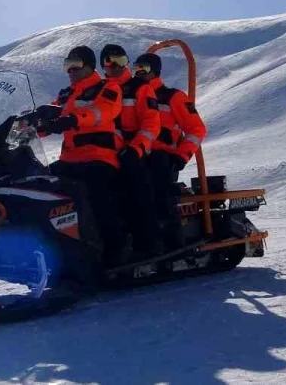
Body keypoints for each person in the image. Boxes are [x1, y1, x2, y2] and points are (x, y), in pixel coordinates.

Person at [37, 46, 126, 267]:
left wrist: (74, 120)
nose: (70, 71)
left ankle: (114, 252)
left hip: (99, 157)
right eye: (67, 66)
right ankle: (54, 247)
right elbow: (51, 117)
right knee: (40, 186)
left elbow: (103, 112)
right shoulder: (65, 94)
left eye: (75, 66)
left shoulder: (107, 88)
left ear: (88, 66)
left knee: (96, 196)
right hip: (70, 160)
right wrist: (36, 123)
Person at [132, 52, 208, 250]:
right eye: (135, 69)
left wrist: (181, 156)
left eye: (144, 69)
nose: (138, 73)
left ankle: (172, 241)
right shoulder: (132, 96)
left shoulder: (172, 97)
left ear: (155, 71)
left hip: (163, 157)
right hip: (137, 155)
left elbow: (196, 129)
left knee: (159, 191)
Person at [99, 43, 163, 258]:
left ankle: (149, 244)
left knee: (138, 189)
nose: (115, 66)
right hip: (103, 153)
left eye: (121, 61)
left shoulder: (140, 88)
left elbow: (152, 124)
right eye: (109, 61)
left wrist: (136, 149)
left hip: (132, 152)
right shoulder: (97, 90)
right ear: (102, 65)